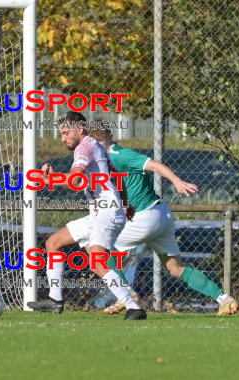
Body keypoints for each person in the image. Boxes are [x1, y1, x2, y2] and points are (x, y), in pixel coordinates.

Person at [90, 125, 239, 316]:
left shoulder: (120, 154)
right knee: (175, 268)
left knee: (100, 251)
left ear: (104, 140)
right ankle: (224, 299)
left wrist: (177, 181)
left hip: (144, 217)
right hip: (160, 215)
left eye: (97, 142)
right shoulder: (104, 159)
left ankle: (125, 294)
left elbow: (154, 165)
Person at [27, 111, 147, 320]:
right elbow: (116, 179)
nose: (63, 138)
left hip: (106, 214)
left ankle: (133, 307)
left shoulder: (85, 146)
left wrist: (47, 180)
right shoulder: (96, 146)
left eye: (66, 133)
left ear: (79, 129)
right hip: (101, 213)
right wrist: (126, 205)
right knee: (53, 243)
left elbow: (75, 181)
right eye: (61, 134)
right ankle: (55, 300)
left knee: (96, 262)